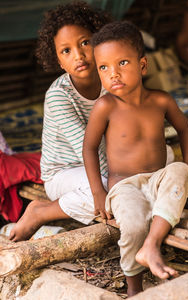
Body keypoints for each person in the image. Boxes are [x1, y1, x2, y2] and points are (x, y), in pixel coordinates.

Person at [83, 21, 188, 297]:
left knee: (180, 169)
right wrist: (98, 192)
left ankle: (152, 245)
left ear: (143, 65)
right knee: (133, 226)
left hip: (159, 179)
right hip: (125, 187)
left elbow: (185, 129)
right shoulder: (105, 106)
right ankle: (134, 287)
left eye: (122, 62)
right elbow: (88, 148)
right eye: (104, 67)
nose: (113, 73)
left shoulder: (161, 100)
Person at [9, 1, 112, 242]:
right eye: (66, 51)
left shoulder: (112, 79)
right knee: (112, 188)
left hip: (110, 161)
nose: (78, 55)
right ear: (58, 61)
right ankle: (41, 212)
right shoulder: (59, 95)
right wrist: (118, 179)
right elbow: (90, 150)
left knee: (166, 157)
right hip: (64, 172)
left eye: (85, 42)